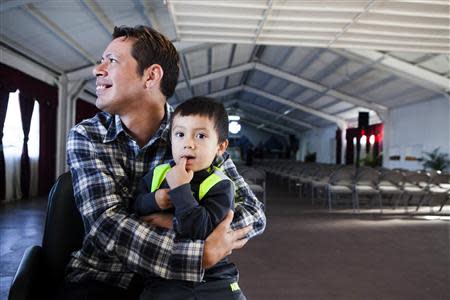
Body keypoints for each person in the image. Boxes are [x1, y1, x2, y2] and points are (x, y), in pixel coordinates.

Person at [59, 25, 266, 300]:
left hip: (180, 284)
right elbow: (108, 227)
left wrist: (173, 223)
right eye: (102, 60)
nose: (97, 70)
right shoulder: (86, 136)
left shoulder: (194, 133)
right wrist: (199, 253)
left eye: (112, 60)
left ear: (151, 75)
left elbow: (253, 213)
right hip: (106, 277)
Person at [134, 97, 246, 299]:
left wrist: (179, 191)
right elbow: (136, 207)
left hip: (213, 277)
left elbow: (202, 232)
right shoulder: (158, 174)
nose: (188, 144)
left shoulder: (220, 184)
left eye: (201, 136)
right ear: (171, 140)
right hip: (165, 274)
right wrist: (154, 200)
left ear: (220, 147)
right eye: (180, 134)